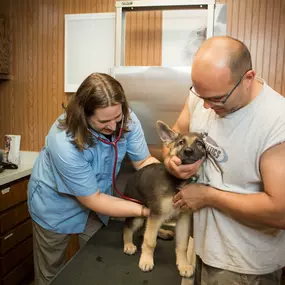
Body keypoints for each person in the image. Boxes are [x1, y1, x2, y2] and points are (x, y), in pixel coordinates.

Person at [162, 36, 285, 285]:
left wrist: (209, 196)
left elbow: (280, 212)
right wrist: (171, 163)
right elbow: (173, 138)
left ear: (248, 78)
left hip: (244, 266)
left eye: (217, 99)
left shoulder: (276, 121)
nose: (206, 106)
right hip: (202, 249)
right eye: (200, 95)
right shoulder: (204, 95)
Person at [28, 73, 159, 285]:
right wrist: (147, 211)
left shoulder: (127, 118)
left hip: (98, 205)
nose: (114, 127)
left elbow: (143, 162)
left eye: (117, 118)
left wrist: (167, 179)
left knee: (98, 264)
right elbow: (94, 198)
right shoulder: (63, 141)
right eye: (104, 121)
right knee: (51, 275)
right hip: (55, 206)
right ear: (83, 115)